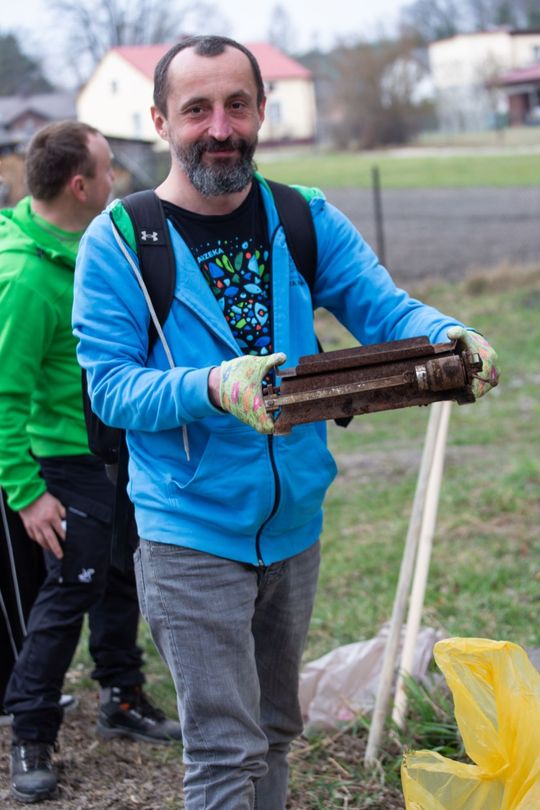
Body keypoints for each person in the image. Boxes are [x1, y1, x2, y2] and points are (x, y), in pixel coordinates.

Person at [72, 36, 499, 810]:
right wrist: (212, 385)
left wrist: (450, 334)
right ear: (161, 120)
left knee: (273, 729)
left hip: (295, 525)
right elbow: (110, 390)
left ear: (263, 110)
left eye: (237, 104)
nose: (221, 127)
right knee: (223, 751)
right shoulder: (122, 243)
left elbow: (385, 309)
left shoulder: (304, 218)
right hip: (188, 532)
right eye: (197, 109)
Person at [0, 121, 181, 805]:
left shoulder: (85, 247)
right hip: (61, 466)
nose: (117, 182)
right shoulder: (24, 279)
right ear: (80, 186)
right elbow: (3, 396)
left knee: (119, 577)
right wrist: (26, 494)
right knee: (70, 592)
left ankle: (121, 698)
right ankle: (30, 733)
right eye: (109, 171)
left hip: (111, 450)